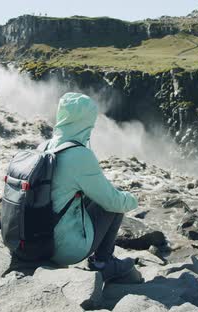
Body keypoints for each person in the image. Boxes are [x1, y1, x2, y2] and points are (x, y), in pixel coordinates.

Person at [47, 92, 138, 281]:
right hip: (63, 250)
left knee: (90, 195)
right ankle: (103, 263)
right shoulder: (79, 155)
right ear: (85, 121)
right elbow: (112, 201)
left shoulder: (46, 147)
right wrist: (132, 200)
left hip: (37, 240)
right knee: (114, 203)